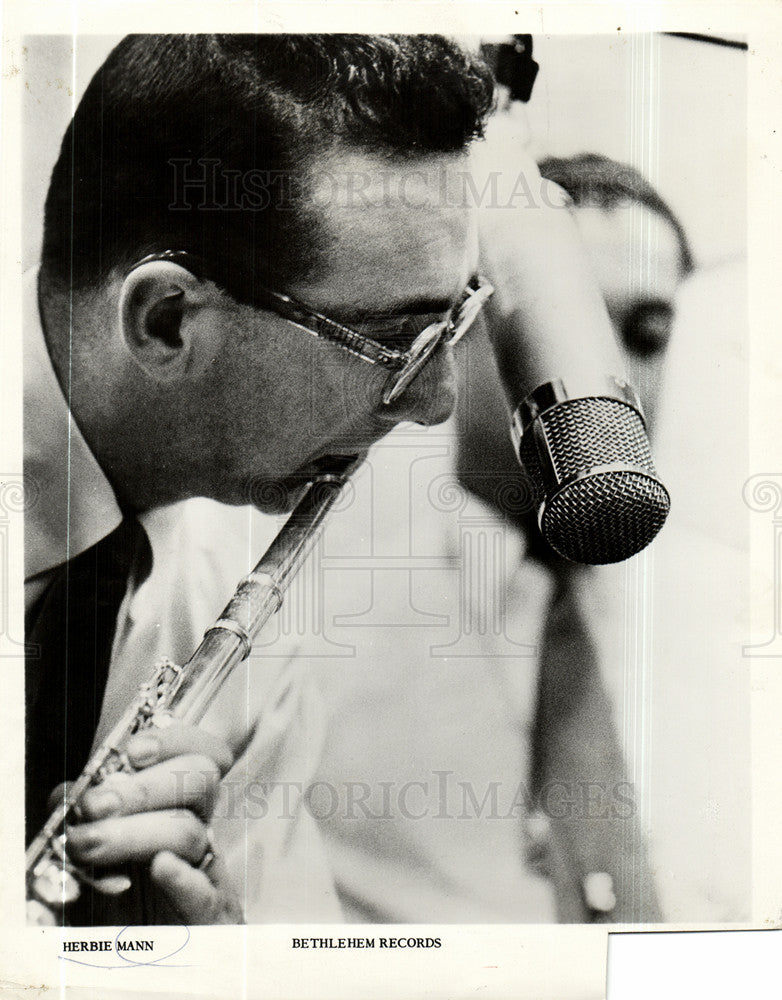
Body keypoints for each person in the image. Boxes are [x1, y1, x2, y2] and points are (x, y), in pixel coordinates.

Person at [24, 33, 500, 925]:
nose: (436, 402)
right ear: (167, 321)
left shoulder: (239, 605)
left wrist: (203, 948)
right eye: (397, 341)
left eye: (454, 320)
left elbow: (281, 941)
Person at [308, 153, 701, 923]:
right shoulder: (316, 606)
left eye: (646, 334)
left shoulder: (729, 624)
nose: (608, 372)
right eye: (570, 325)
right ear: (462, 330)